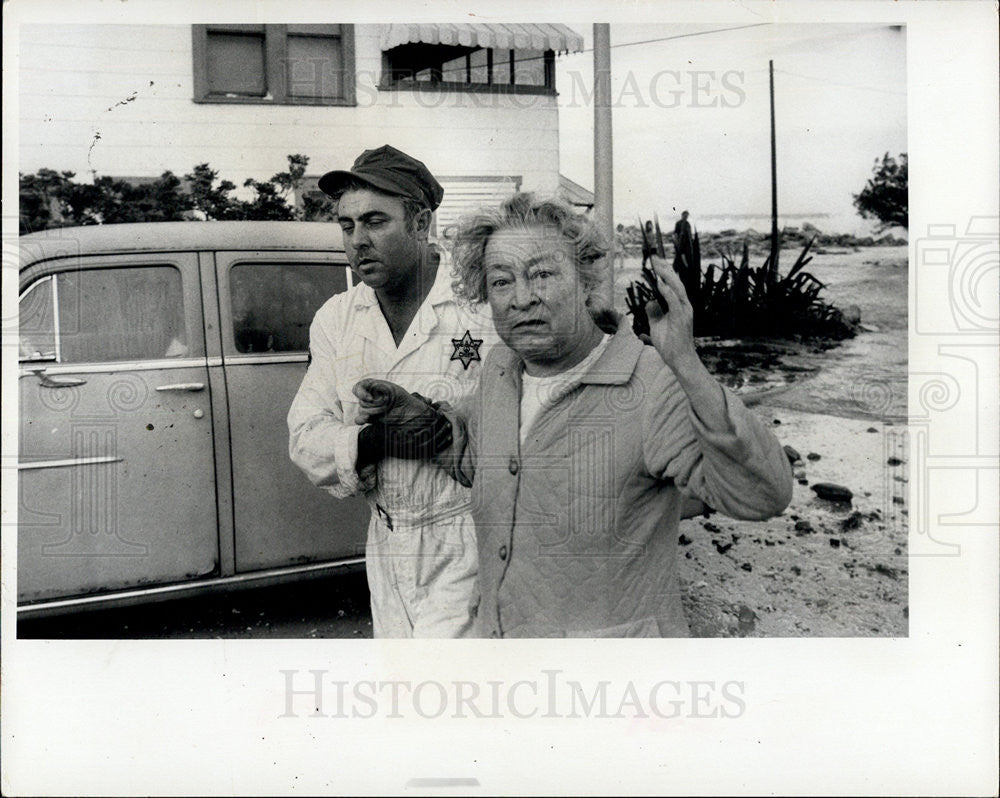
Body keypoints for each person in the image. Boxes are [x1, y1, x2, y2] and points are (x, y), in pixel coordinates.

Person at [358, 193, 792, 638]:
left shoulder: (650, 385)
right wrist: (413, 416)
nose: (521, 299)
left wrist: (686, 364)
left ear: (586, 280)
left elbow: (761, 496)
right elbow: (477, 461)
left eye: (542, 274)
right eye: (501, 281)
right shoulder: (501, 370)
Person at [287, 145, 498, 638]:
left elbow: (531, 426)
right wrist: (374, 442)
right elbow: (305, 436)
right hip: (386, 539)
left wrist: (442, 434)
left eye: (375, 221)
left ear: (420, 222)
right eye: (347, 225)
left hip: (470, 534)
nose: (358, 241)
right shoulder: (337, 318)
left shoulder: (481, 305)